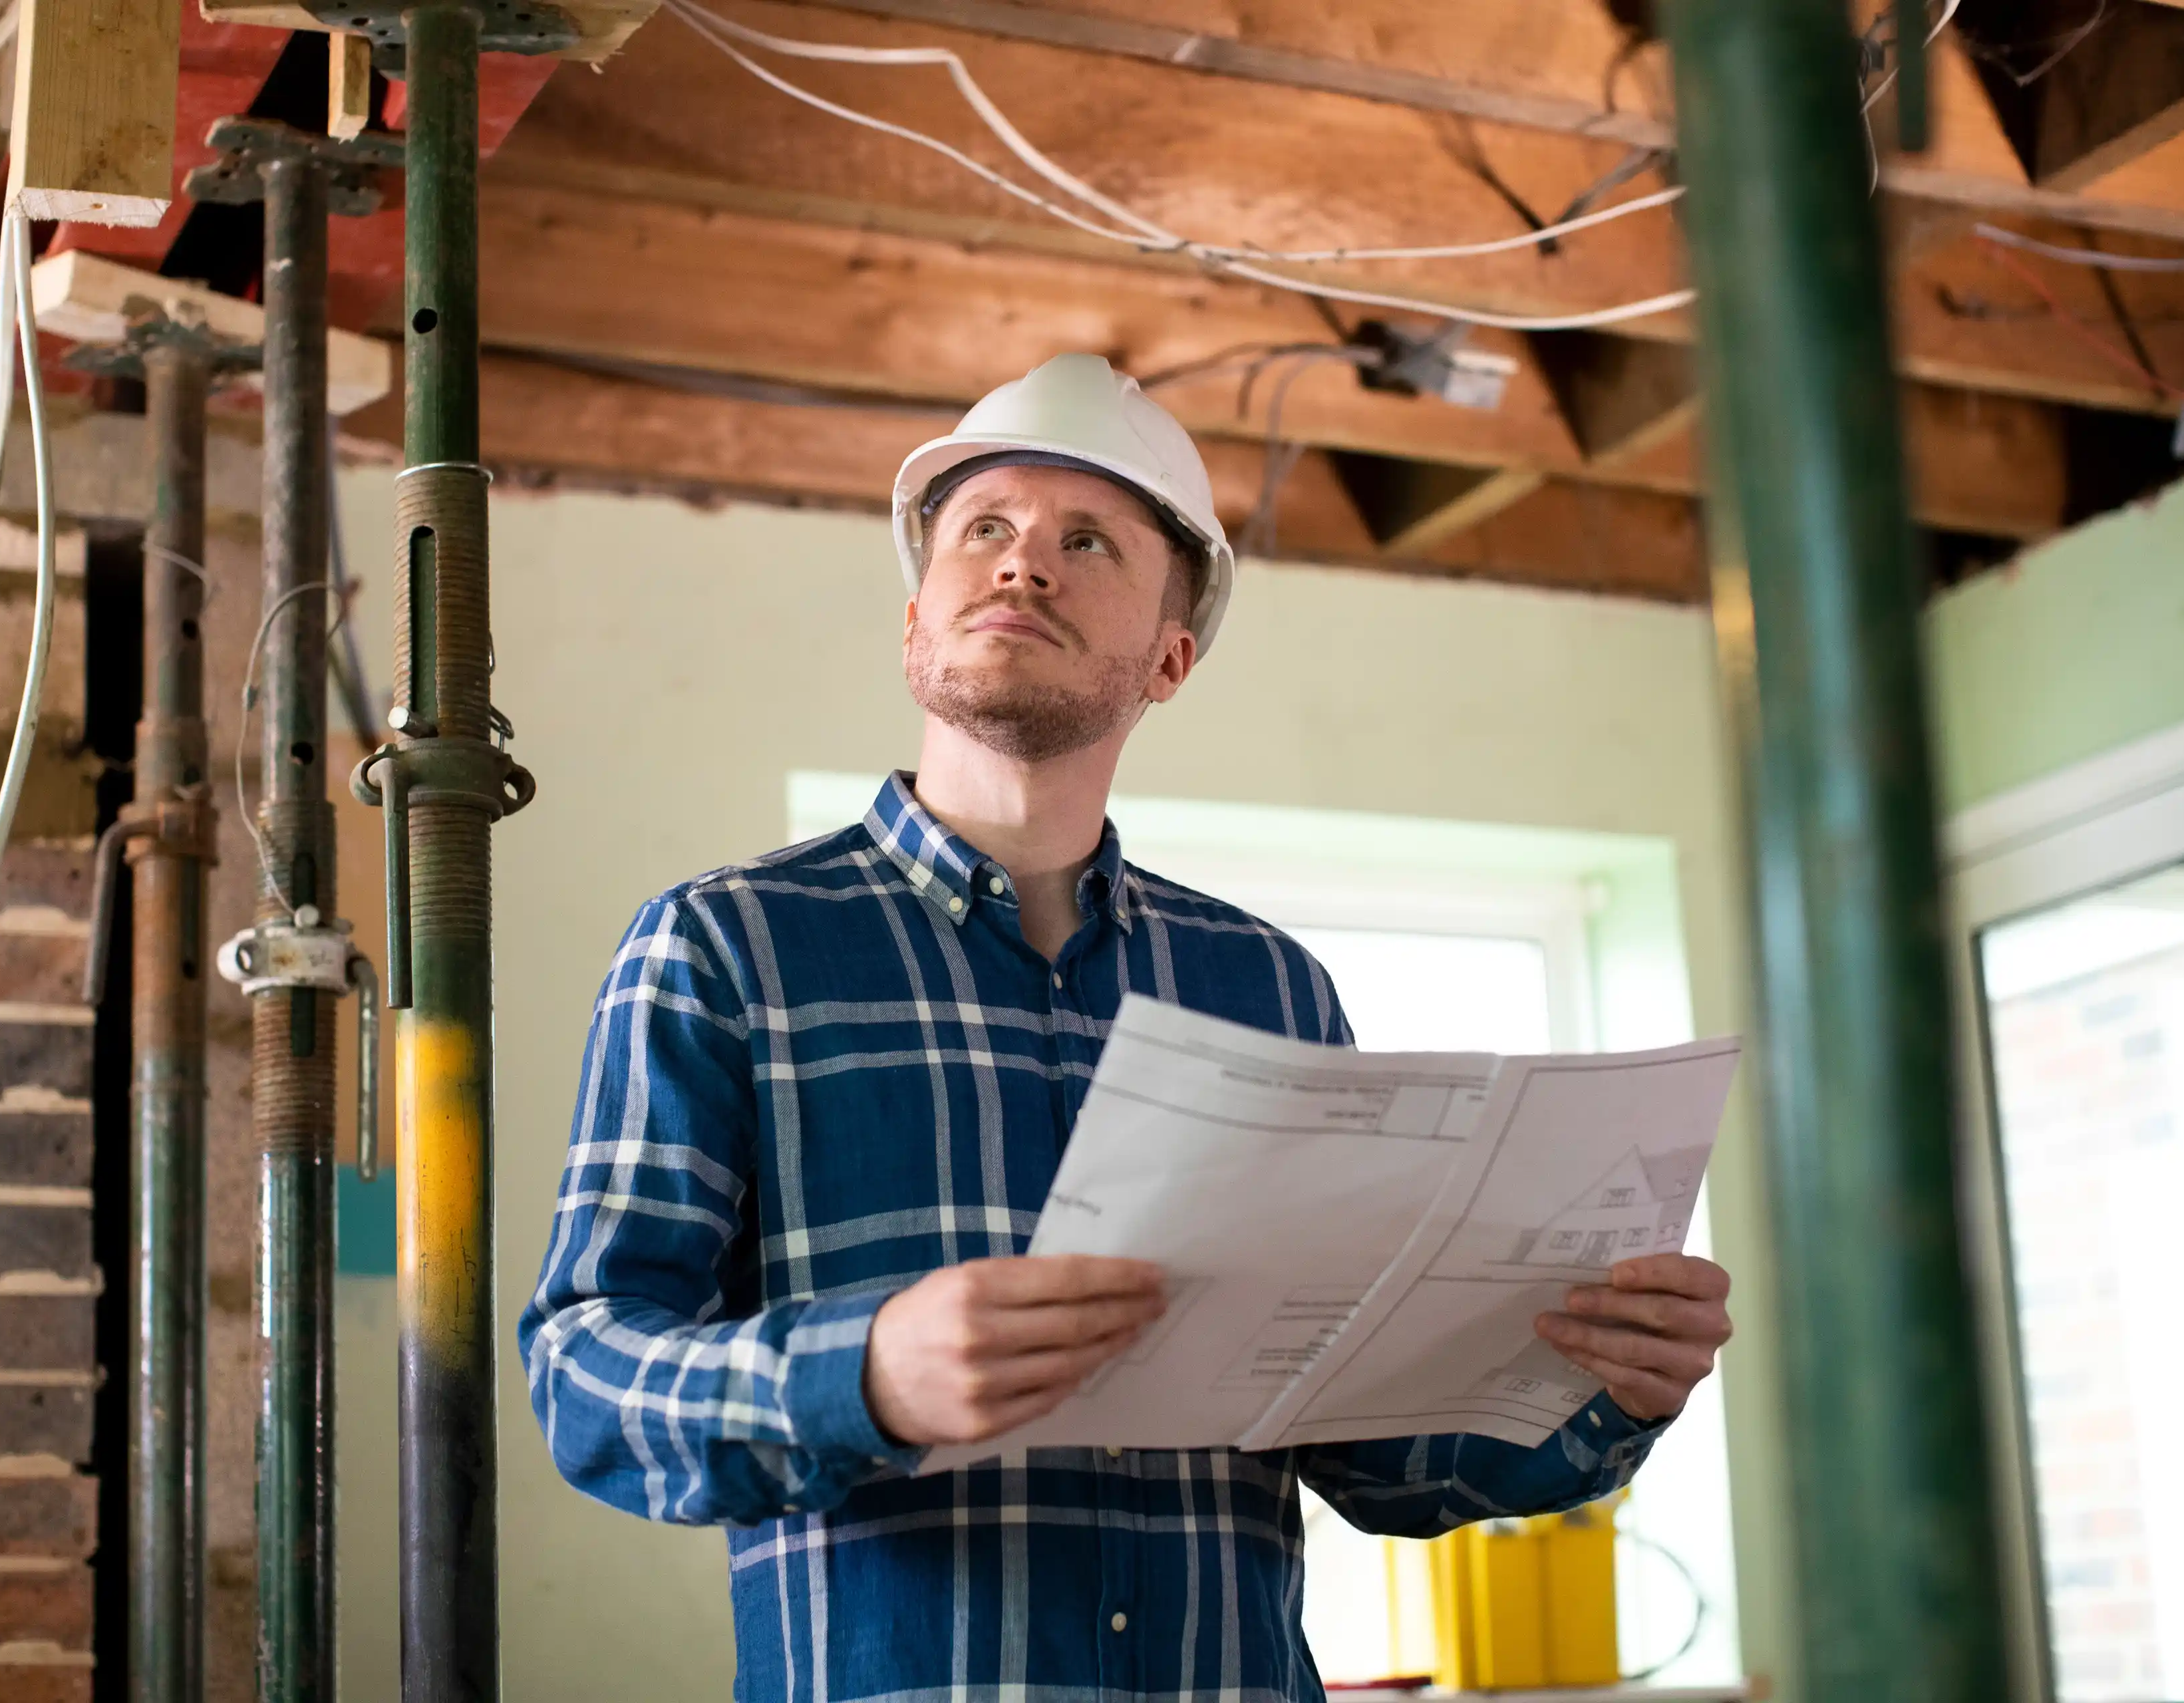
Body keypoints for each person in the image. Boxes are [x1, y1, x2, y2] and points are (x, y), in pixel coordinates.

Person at [521, 353, 1734, 1702]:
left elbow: (1373, 1456)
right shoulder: (721, 947)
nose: (1022, 564)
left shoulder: (1268, 986)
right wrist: (867, 1373)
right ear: (914, 620)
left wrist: (1602, 1391)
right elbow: (585, 1376)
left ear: (1170, 655)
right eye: (982, 529)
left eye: (1085, 540)